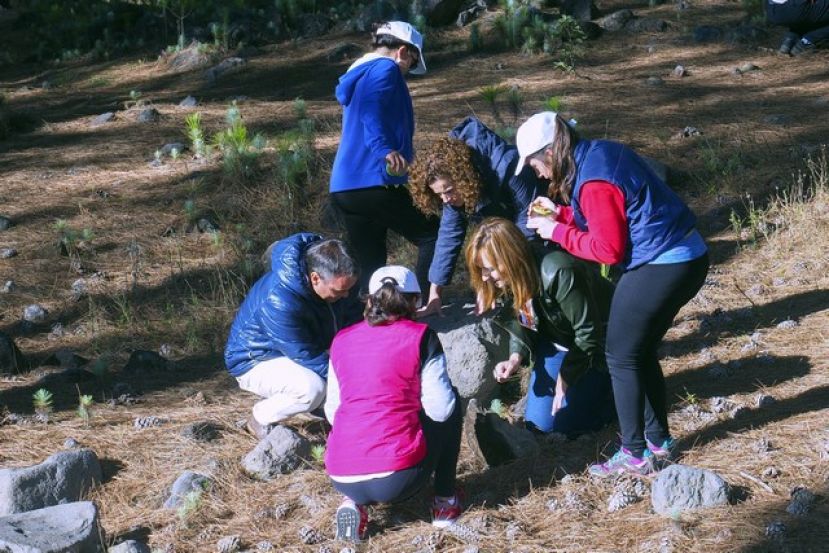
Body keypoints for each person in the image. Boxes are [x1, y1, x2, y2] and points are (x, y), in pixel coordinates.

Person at [515, 112, 710, 476]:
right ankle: (658, 442)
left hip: (664, 260)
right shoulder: (596, 153)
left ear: (551, 151)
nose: (537, 174)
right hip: (686, 252)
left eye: (534, 164)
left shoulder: (592, 182)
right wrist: (563, 216)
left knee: (619, 354)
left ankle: (634, 453)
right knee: (637, 350)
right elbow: (610, 215)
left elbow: (607, 250)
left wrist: (556, 233)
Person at [324, 265, 463, 542]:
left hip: (341, 474)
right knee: (453, 401)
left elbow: (331, 411)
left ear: (369, 300)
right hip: (398, 479)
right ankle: (445, 502)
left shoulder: (341, 339)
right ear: (415, 301)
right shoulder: (422, 336)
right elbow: (441, 408)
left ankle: (352, 503)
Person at [464, 217, 616, 436]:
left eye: (488, 269)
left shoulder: (558, 271)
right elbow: (526, 322)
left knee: (570, 426)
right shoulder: (516, 278)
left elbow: (589, 333)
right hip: (558, 344)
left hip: (599, 345)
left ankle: (616, 389)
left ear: (509, 258)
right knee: (539, 426)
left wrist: (566, 377)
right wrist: (515, 357)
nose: (485, 277)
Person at [328, 21, 438, 295]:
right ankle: (425, 302)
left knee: (371, 262)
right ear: (402, 51)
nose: (410, 69)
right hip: (370, 182)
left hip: (345, 188)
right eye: (412, 61)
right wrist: (384, 149)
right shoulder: (385, 68)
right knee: (432, 234)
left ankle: (370, 319)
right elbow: (371, 109)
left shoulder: (362, 72)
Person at [224, 233, 361, 439]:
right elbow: (307, 355)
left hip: (301, 349)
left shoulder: (333, 282)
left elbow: (352, 322)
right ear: (315, 278)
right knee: (312, 389)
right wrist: (355, 382)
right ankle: (260, 417)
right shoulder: (279, 301)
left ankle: (323, 407)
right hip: (256, 358)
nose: (346, 295)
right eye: (339, 290)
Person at [408, 116, 548, 316]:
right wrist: (434, 295)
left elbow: (530, 219)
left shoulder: (507, 167)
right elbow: (449, 236)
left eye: (448, 191)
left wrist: (501, 268)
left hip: (543, 227)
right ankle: (523, 322)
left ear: (463, 179)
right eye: (438, 194)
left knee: (531, 283)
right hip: (507, 235)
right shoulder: (454, 193)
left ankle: (536, 321)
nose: (445, 199)